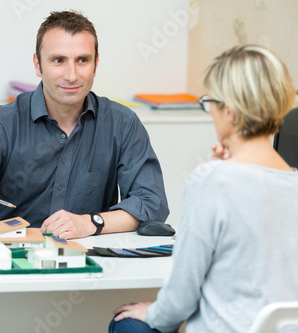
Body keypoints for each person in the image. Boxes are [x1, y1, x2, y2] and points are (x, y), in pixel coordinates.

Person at [0, 10, 169, 239]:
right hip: (9, 260)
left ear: (96, 64)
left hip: (87, 260)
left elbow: (151, 203)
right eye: (58, 60)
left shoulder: (122, 124)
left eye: (82, 60)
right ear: (38, 65)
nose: (72, 75)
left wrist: (91, 222)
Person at [109, 44, 298, 332]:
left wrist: (155, 313)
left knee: (128, 326)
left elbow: (182, 293)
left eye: (210, 104)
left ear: (230, 112)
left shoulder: (211, 180)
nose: (211, 113)